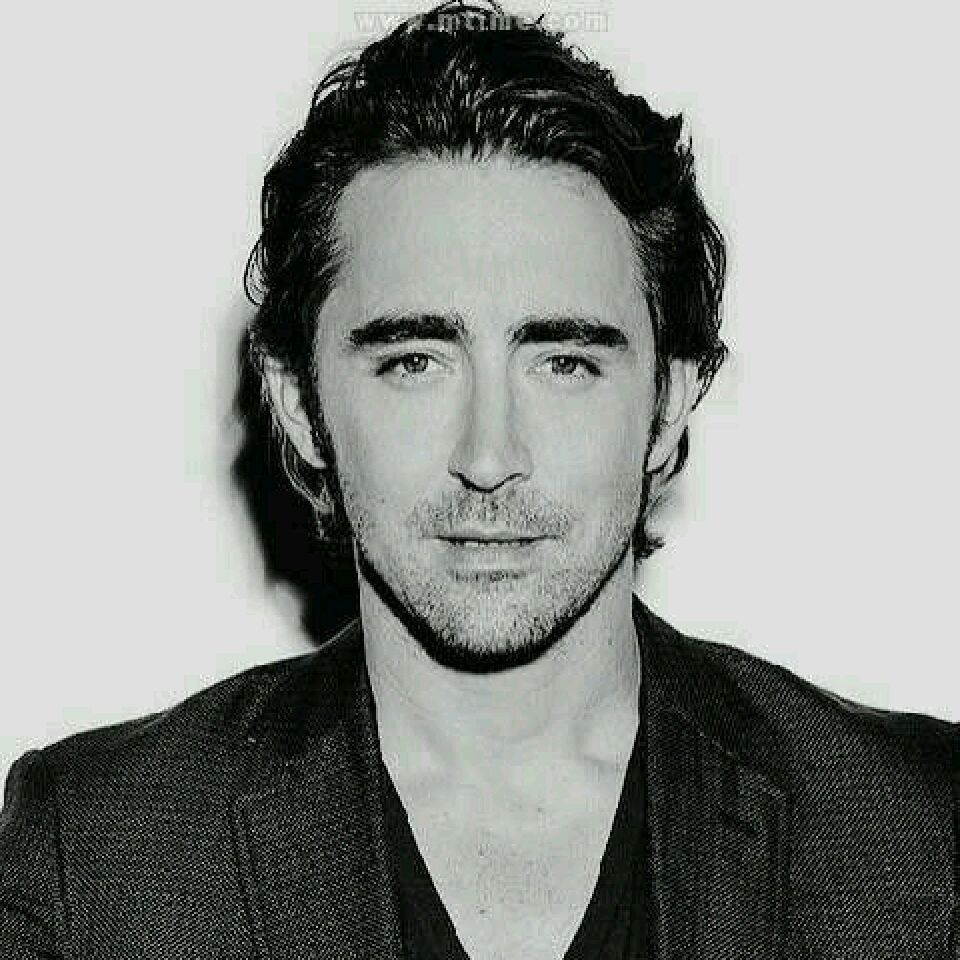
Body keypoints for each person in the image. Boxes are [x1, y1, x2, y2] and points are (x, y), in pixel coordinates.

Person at [1, 3, 956, 957]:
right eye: (414, 362)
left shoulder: (918, 840)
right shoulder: (101, 863)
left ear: (668, 402)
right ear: (297, 401)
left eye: (564, 363)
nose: (490, 457)